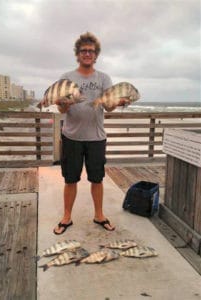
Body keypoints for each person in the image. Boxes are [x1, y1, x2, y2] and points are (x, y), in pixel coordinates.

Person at [53, 32, 129, 234]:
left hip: (96, 137)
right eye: (83, 51)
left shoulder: (104, 78)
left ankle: (99, 215)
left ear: (96, 55)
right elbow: (61, 110)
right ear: (77, 54)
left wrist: (118, 102)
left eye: (91, 51)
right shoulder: (66, 78)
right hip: (71, 137)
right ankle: (66, 217)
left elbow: (109, 107)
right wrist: (64, 104)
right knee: (70, 179)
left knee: (97, 178)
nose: (87, 54)